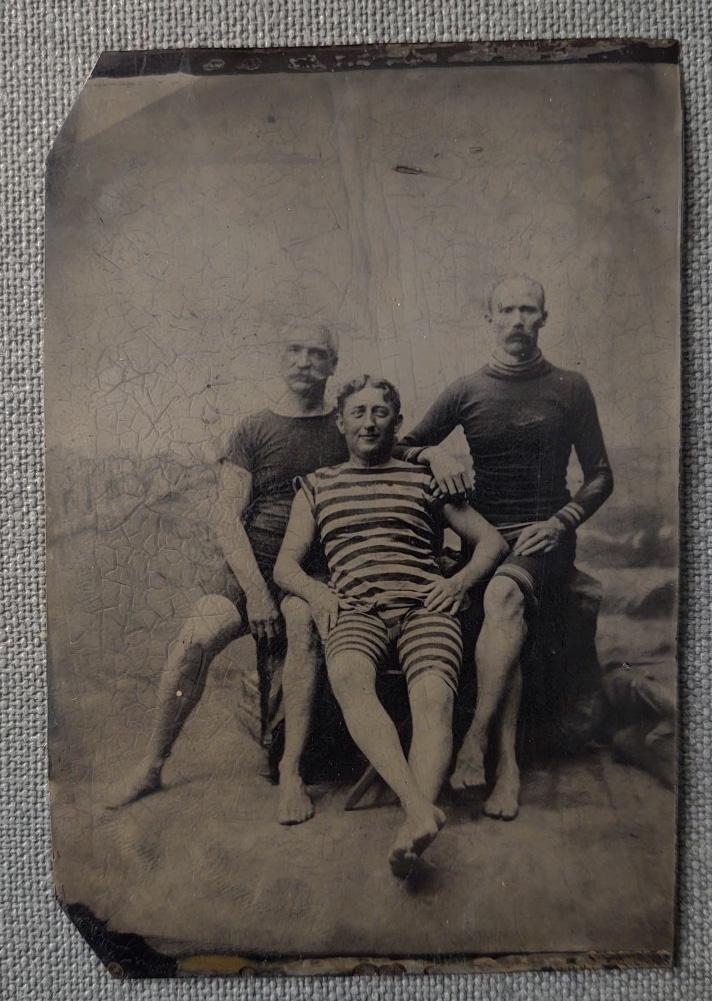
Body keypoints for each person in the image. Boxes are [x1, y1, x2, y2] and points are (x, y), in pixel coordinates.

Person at [107, 325, 348, 822]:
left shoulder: (347, 425)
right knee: (195, 638)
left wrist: (430, 452)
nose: (304, 361)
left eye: (317, 353)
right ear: (281, 358)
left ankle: (291, 774)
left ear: (332, 365)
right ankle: (151, 765)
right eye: (294, 348)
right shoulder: (253, 429)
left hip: (311, 573)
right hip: (251, 569)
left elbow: (390, 454)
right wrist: (255, 594)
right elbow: (225, 516)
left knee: (300, 636)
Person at [395, 276, 614, 819]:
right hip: (486, 536)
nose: (518, 319)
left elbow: (601, 475)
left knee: (502, 599)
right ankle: (508, 767)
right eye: (507, 309)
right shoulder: (467, 389)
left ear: (544, 318)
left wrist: (562, 521)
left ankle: (476, 742)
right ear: (488, 317)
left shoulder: (570, 386)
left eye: (529, 310)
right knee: (502, 613)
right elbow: (405, 445)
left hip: (544, 535)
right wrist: (435, 458)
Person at [273, 375, 508, 876]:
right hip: (355, 608)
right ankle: (418, 809)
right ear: (340, 423)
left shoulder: (426, 480)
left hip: (426, 607)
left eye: (380, 412)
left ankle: (413, 827)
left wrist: (460, 582)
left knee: (433, 699)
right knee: (350, 679)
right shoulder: (318, 486)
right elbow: (285, 566)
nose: (369, 421)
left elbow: (491, 541)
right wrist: (318, 593)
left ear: (397, 423)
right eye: (357, 412)